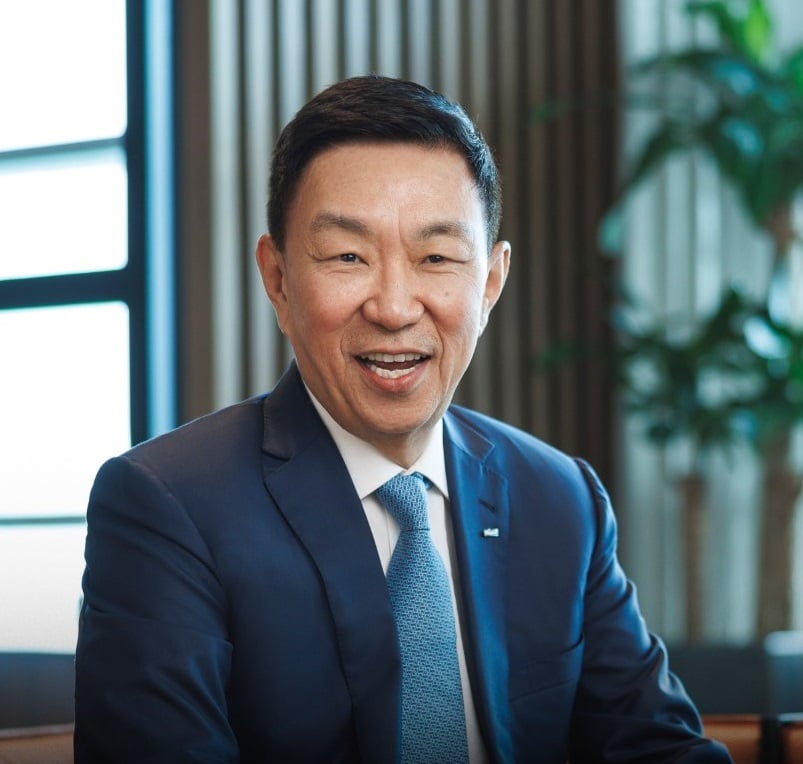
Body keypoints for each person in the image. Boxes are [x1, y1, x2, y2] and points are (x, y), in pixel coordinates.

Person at [74, 75, 731, 763]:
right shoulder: (167, 505)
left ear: (490, 284)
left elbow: (659, 750)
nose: (393, 307)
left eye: (436, 257)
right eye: (348, 256)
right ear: (278, 279)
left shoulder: (560, 499)